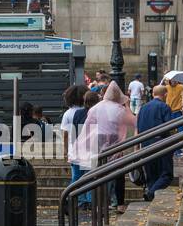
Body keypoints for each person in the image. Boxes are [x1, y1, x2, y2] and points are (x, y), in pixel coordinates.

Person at [73, 81, 136, 212]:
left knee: (98, 175)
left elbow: (87, 128)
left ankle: (98, 203)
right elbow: (133, 122)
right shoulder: (120, 110)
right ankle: (118, 203)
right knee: (118, 175)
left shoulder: (95, 108)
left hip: (97, 144)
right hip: (115, 144)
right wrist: (128, 105)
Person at [137, 84, 174, 200]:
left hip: (145, 144)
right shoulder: (165, 107)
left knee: (151, 174)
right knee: (166, 174)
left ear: (153, 94)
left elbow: (138, 127)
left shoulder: (143, 108)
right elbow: (169, 126)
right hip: (161, 143)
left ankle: (150, 194)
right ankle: (151, 193)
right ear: (166, 94)